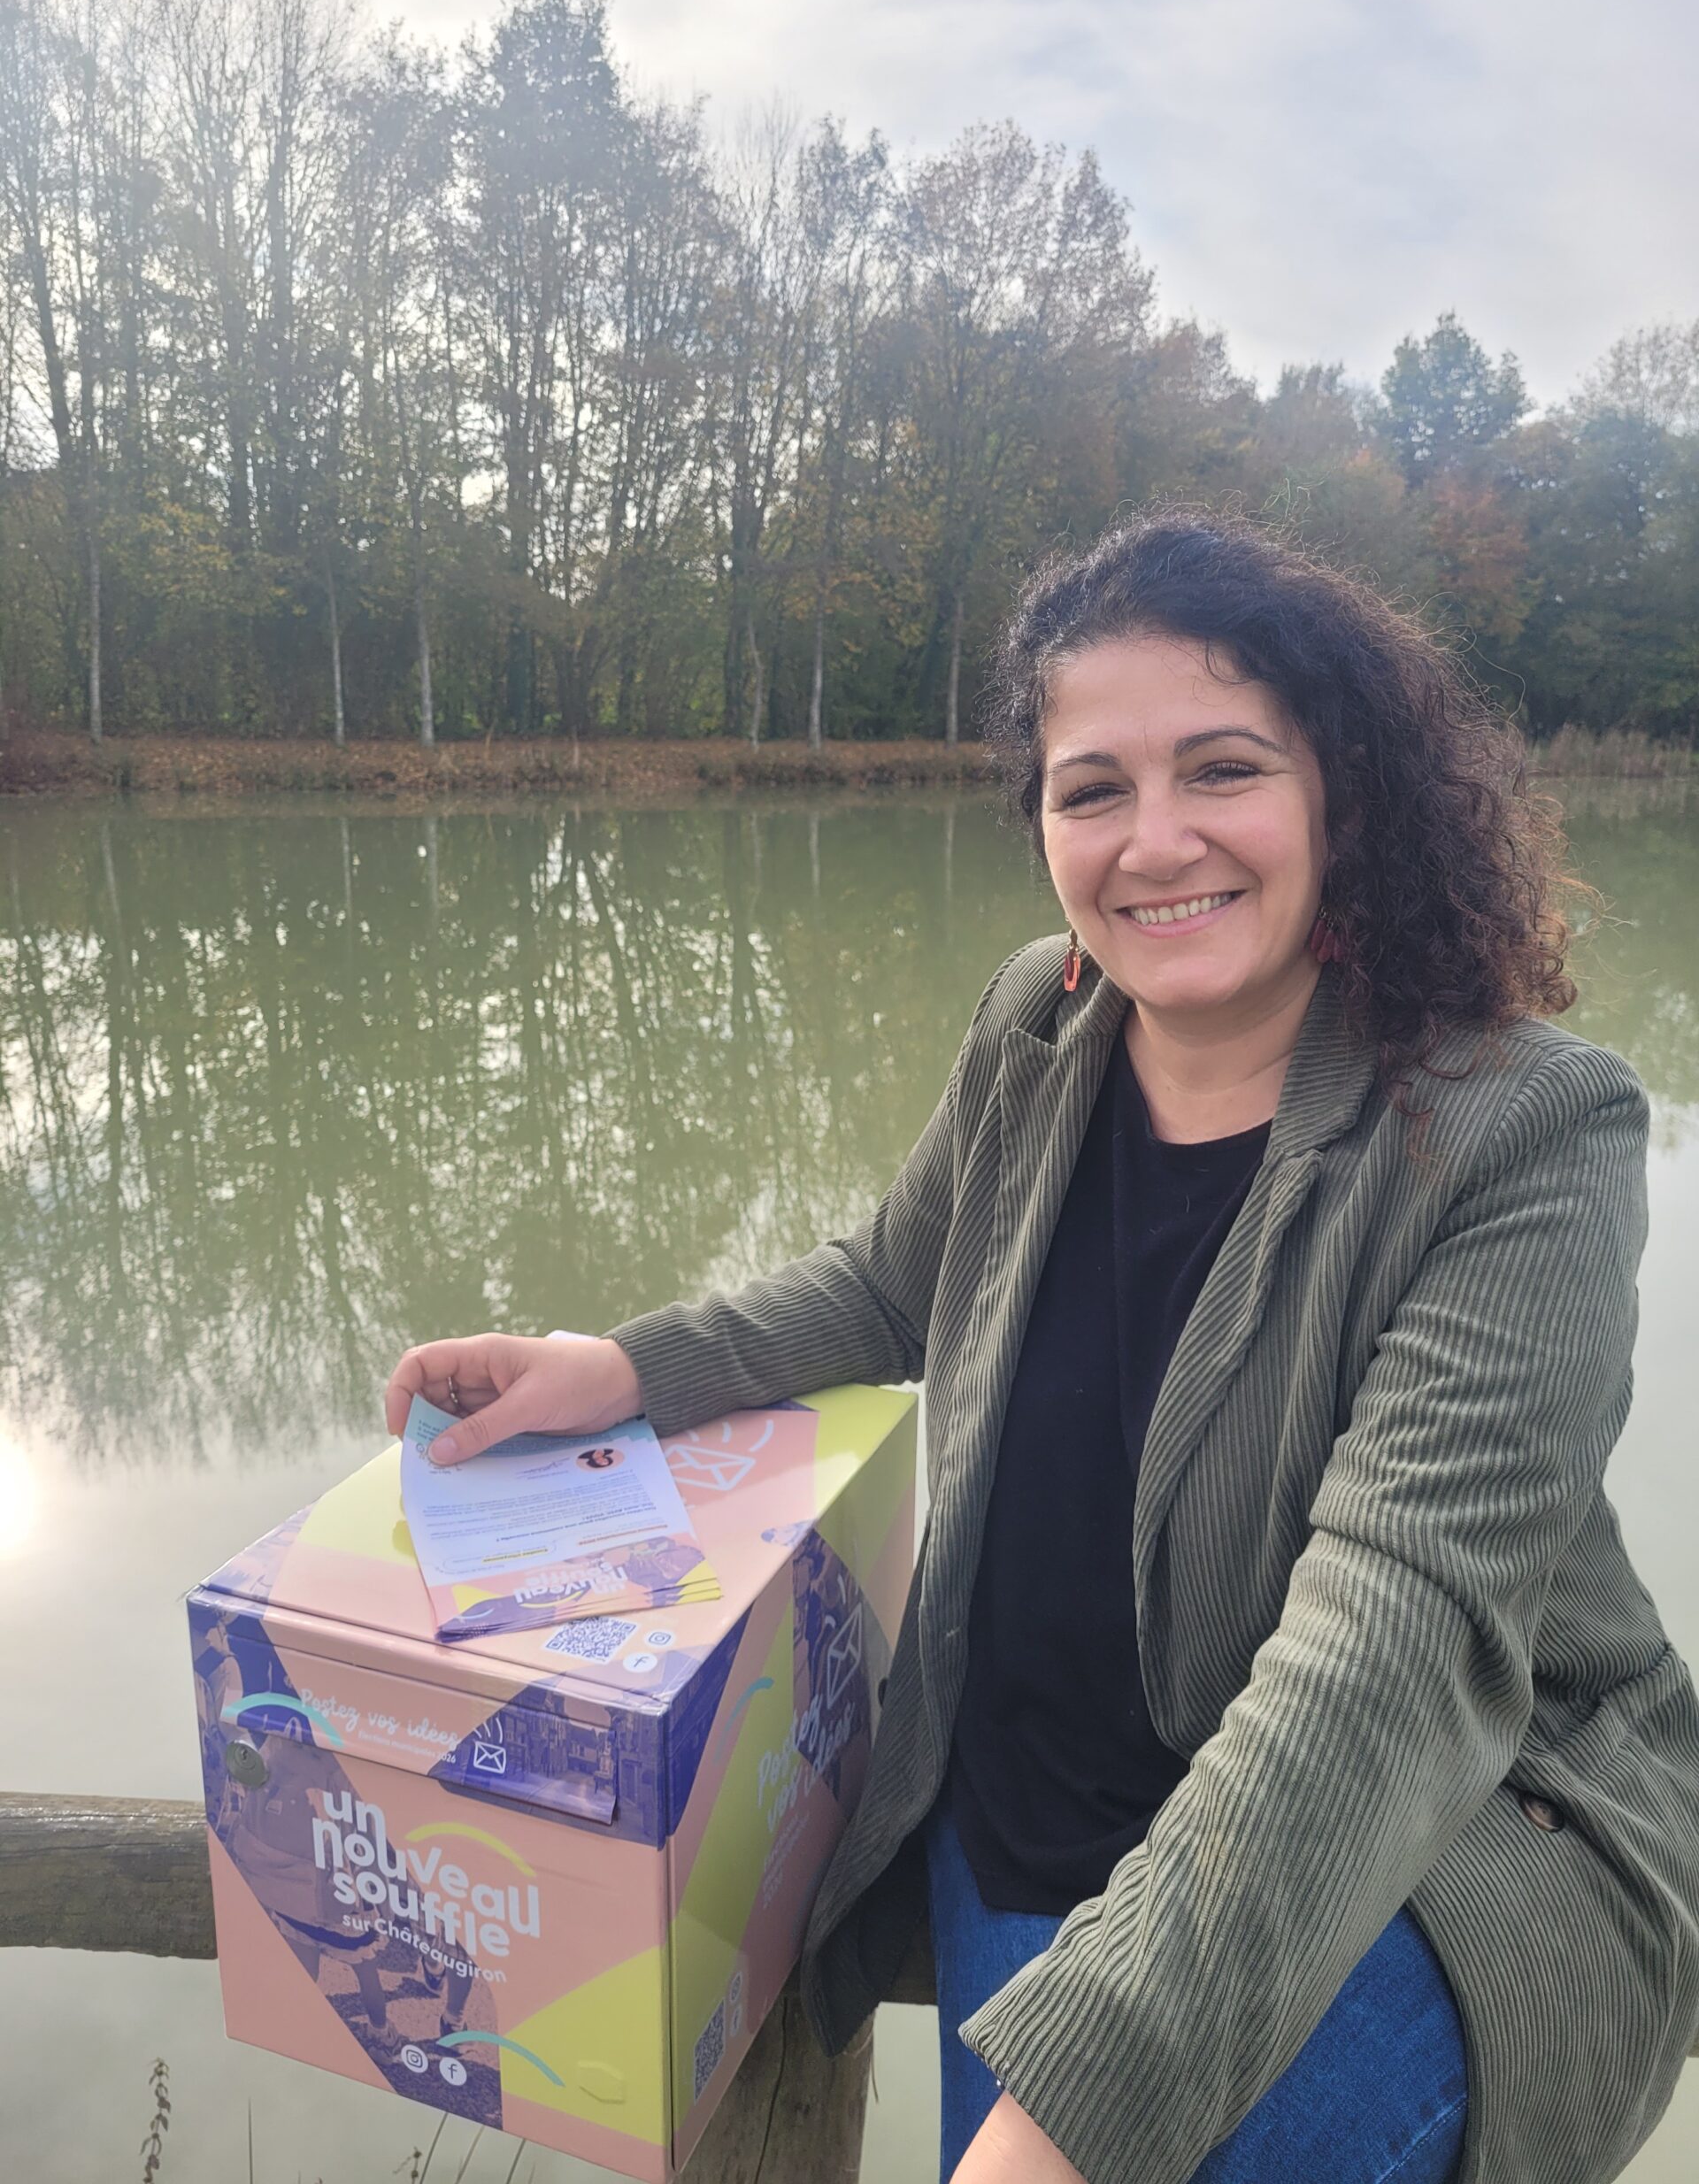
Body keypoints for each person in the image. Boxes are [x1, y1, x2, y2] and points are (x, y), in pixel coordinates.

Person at [385, 511, 1699, 2184]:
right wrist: (626, 1369)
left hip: (1424, 1849)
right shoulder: (1041, 1017)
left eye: (1223, 769)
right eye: (1093, 791)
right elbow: (894, 1283)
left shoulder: (1525, 1131)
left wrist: (1069, 2118)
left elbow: (1390, 1647)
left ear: (1343, 795)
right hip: (1021, 1814)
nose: (1156, 841)